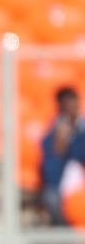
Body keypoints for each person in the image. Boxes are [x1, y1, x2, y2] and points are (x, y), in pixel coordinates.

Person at [40, 86, 85, 226]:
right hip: (60, 186)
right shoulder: (53, 132)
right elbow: (50, 167)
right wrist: (61, 141)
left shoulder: (82, 131)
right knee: (52, 199)